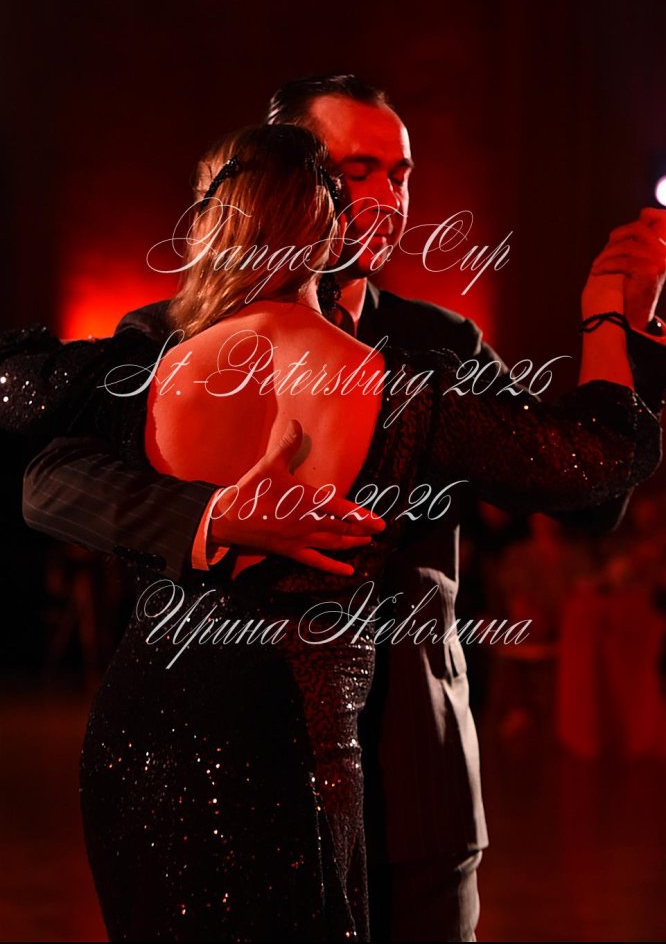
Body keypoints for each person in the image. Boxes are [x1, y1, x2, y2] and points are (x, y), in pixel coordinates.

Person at [20, 75, 666, 942]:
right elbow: (48, 481)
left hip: (419, 779)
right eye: (355, 170)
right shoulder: (170, 332)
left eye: (401, 175)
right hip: (223, 755)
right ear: (291, 174)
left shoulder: (442, 343)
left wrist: (633, 330)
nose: (387, 198)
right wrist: (210, 519)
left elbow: (589, 496)